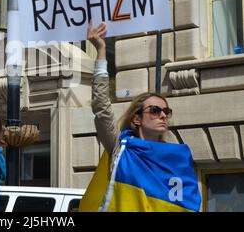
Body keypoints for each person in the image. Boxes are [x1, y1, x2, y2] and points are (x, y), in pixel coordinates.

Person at [83, 21, 201, 212]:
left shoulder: (175, 158)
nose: (163, 115)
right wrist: (101, 50)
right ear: (136, 119)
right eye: (154, 110)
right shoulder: (120, 149)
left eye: (166, 111)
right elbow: (101, 108)